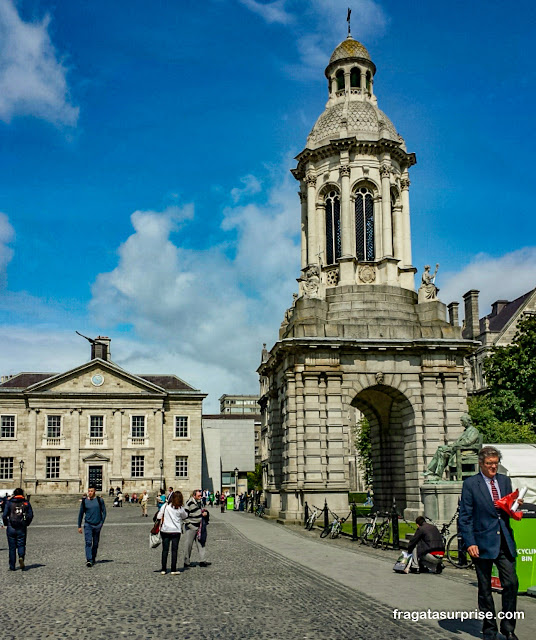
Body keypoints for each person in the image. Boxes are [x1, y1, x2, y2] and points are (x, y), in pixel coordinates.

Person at [459, 446, 521, 640]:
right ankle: (489, 630)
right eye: (489, 464)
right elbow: (465, 516)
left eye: (495, 463)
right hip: (481, 542)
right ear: (481, 464)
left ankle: (508, 628)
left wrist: (516, 506)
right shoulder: (471, 484)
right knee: (485, 589)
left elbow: (509, 508)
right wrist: (470, 542)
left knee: (511, 583)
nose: (493, 467)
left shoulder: (504, 481)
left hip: (503, 540)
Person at [424, 414, 480, 480]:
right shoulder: (465, 431)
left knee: (443, 453)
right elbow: (458, 442)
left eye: (462, 421)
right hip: (459, 449)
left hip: (466, 451)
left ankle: (436, 474)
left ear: (468, 421)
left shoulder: (474, 431)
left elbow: (468, 442)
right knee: (440, 449)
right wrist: (450, 445)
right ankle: (433, 472)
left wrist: (454, 445)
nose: (461, 423)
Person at [3, 488, 33, 571]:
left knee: (12, 547)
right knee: (21, 544)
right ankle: (21, 557)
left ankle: (12, 566)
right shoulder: (26, 502)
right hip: (21, 527)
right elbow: (30, 515)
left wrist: (6, 523)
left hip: (11, 527)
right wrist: (26, 523)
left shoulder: (9, 502)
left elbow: (4, 515)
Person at [157, 490, 187, 575]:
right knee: (174, 550)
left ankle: (163, 569)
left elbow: (159, 516)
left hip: (165, 530)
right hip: (176, 531)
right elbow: (185, 516)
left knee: (165, 550)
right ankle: (173, 569)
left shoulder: (165, 506)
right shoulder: (180, 508)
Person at [78, 485, 106, 567]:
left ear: (95, 492)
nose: (89, 493)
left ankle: (93, 557)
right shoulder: (84, 501)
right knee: (88, 542)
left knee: (96, 543)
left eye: (91, 491)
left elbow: (104, 512)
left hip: (97, 525)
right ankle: (89, 560)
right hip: (88, 525)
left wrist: (101, 523)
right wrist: (79, 525)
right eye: (89, 491)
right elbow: (80, 514)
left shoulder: (99, 500)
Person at [183, 489, 210, 568]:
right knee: (188, 545)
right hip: (191, 527)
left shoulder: (199, 502)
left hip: (199, 526)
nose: (200, 497)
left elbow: (199, 511)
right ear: (194, 495)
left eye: (201, 495)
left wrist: (204, 513)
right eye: (199, 496)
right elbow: (184, 516)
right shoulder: (189, 503)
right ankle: (186, 562)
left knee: (201, 543)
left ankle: (203, 560)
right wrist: (190, 525)